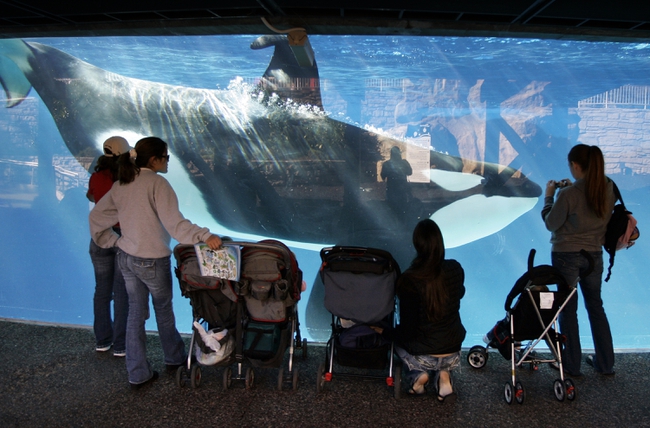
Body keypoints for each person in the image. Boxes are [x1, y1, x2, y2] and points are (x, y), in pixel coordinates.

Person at [89, 136, 223, 390]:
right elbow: (176, 225)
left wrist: (114, 241)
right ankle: (173, 358)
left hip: (126, 258)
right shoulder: (157, 184)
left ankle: (137, 373)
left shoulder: (122, 183)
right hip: (152, 260)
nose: (168, 161)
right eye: (166, 157)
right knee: (163, 311)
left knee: (134, 315)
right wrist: (205, 236)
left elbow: (96, 217)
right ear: (155, 159)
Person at [542, 143, 616, 376]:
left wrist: (549, 197)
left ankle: (571, 365)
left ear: (575, 165)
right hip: (594, 255)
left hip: (567, 256)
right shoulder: (609, 187)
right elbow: (590, 201)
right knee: (596, 307)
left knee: (567, 310)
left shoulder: (568, 194)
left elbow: (550, 223)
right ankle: (605, 364)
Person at [371, 219, 466, 401]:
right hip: (453, 349)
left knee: (396, 342)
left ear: (417, 245)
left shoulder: (409, 280)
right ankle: (444, 376)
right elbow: (459, 294)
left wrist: (385, 331)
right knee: (440, 350)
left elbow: (407, 331)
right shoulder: (455, 268)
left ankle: (418, 374)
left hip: (423, 355)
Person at [86, 136, 130, 357]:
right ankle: (121, 345)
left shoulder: (96, 176)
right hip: (123, 236)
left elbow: (91, 195)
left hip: (100, 235)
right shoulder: (127, 178)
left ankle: (102, 340)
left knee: (102, 290)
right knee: (122, 291)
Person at [380, 146, 413, 215]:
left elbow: (383, 176)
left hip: (394, 189)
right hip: (399, 189)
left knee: (394, 210)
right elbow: (409, 172)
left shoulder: (387, 164)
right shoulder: (404, 163)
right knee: (401, 209)